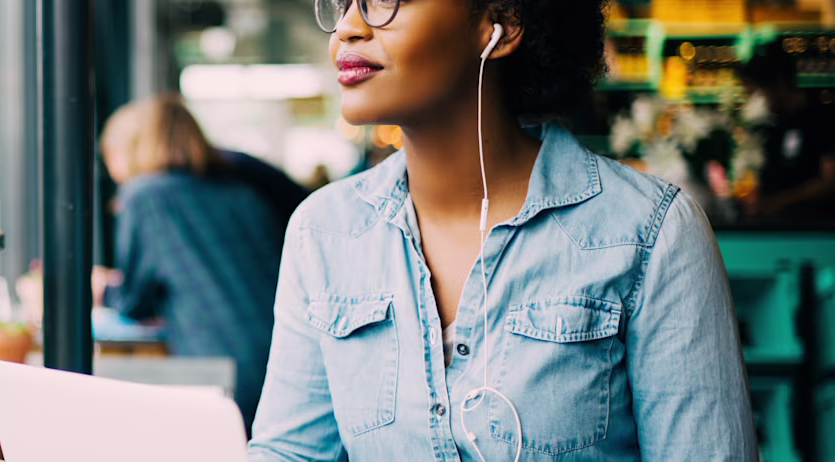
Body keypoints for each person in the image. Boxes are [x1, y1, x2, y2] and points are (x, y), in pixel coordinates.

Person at [248, 1, 755, 461]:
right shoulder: (324, 233)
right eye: (342, 4)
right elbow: (291, 453)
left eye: (386, 1)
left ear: (502, 24)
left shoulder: (650, 233)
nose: (347, 30)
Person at [97, 95, 287, 435]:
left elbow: (132, 303)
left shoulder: (146, 196)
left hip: (220, 371)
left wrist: (101, 289)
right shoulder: (242, 193)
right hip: (284, 364)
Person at [739, 42, 835, 222]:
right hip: (777, 232)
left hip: (816, 233)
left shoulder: (822, 118)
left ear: (780, 84)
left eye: (757, 93)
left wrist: (779, 202)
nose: (754, 102)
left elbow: (829, 181)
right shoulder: (772, 127)